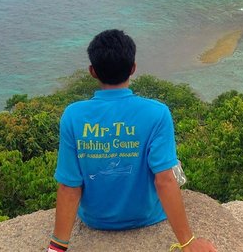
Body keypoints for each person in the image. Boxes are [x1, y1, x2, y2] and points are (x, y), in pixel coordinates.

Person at [49, 29, 216, 252]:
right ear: (133, 68)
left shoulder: (73, 115)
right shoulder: (157, 113)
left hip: (96, 219)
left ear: (92, 72)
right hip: (146, 216)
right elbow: (165, 179)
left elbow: (70, 185)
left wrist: (56, 248)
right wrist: (187, 242)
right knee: (170, 164)